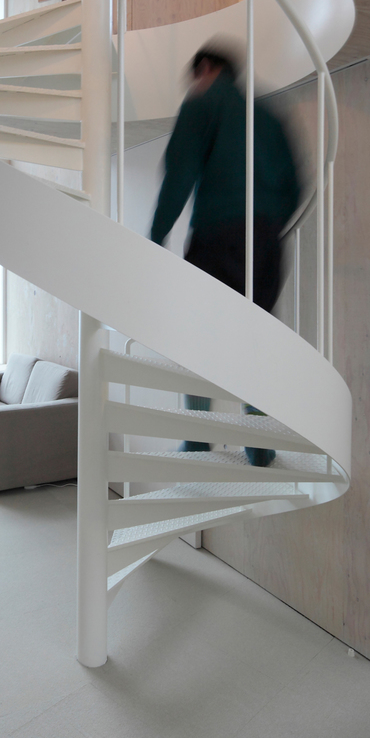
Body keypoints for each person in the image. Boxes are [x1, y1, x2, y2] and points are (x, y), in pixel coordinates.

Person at [150, 44, 301, 467]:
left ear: (206, 68)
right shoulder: (268, 114)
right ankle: (259, 444)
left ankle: (199, 439)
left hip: (217, 235)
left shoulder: (203, 102)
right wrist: (270, 225)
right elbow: (295, 182)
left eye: (194, 78)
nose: (193, 86)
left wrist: (156, 236)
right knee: (254, 338)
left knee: (199, 336)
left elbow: (179, 172)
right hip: (267, 240)